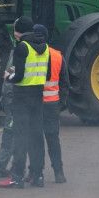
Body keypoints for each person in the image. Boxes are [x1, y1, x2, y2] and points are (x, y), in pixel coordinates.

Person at [0, 17, 49, 189]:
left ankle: (17, 177)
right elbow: (46, 75)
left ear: (18, 32)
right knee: (36, 137)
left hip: (22, 98)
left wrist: (8, 76)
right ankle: (37, 175)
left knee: (20, 138)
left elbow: (18, 76)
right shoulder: (46, 47)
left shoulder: (22, 47)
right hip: (38, 97)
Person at [33, 24, 68, 184]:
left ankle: (36, 173)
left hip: (34, 105)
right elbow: (66, 83)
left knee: (35, 141)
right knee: (53, 139)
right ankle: (59, 173)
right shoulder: (57, 56)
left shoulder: (28, 53)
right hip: (52, 105)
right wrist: (61, 104)